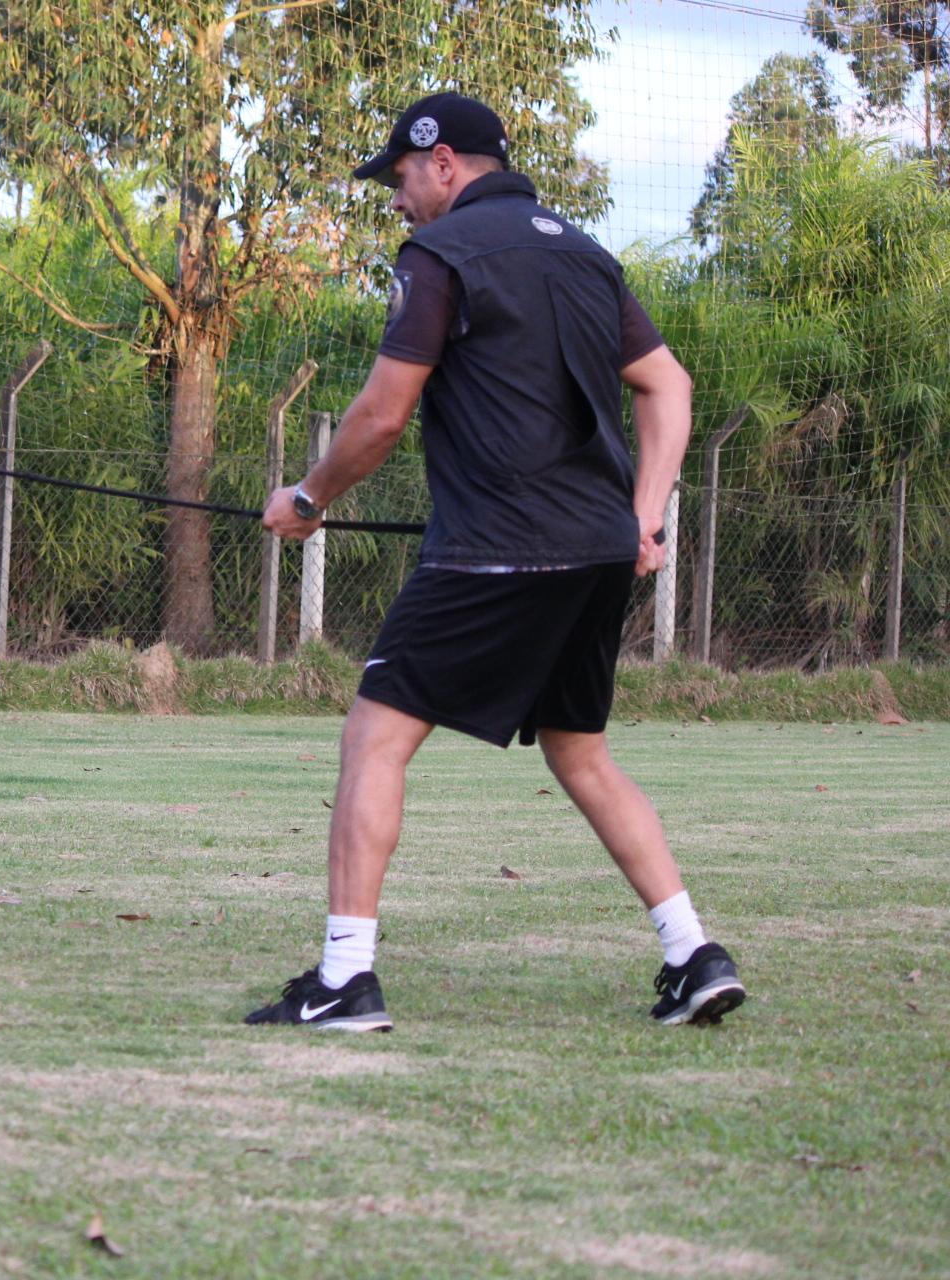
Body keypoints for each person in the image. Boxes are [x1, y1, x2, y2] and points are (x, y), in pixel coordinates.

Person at [245, 94, 740, 1031]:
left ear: (442, 164)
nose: (396, 202)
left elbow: (384, 415)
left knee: (375, 737)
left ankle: (345, 978)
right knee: (580, 750)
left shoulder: (440, 256)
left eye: (398, 180)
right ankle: (693, 954)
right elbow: (667, 384)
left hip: (496, 551)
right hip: (596, 550)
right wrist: (643, 519)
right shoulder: (588, 255)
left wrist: (308, 501)